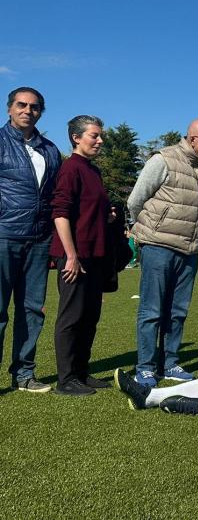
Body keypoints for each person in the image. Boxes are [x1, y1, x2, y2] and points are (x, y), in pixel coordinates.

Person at [127, 118, 198, 386]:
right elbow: (136, 200)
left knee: (178, 311)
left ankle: (169, 363)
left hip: (190, 249)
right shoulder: (163, 160)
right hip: (158, 247)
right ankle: (144, 366)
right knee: (152, 310)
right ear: (192, 139)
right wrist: (148, 231)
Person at [50, 116, 116, 396]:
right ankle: (66, 380)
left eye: (101, 136)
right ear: (76, 138)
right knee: (71, 318)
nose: (100, 141)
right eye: (94, 136)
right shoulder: (70, 169)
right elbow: (60, 213)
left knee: (90, 317)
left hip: (95, 256)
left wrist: (108, 215)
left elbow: (88, 211)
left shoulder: (93, 171)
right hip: (75, 257)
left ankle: (81, 373)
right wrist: (71, 256)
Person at [0, 87, 61, 393]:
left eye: (34, 107)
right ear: (9, 108)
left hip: (38, 239)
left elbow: (56, 194)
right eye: (21, 105)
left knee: (32, 310)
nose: (28, 110)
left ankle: (24, 375)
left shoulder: (49, 149)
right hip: (4, 236)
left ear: (40, 112)